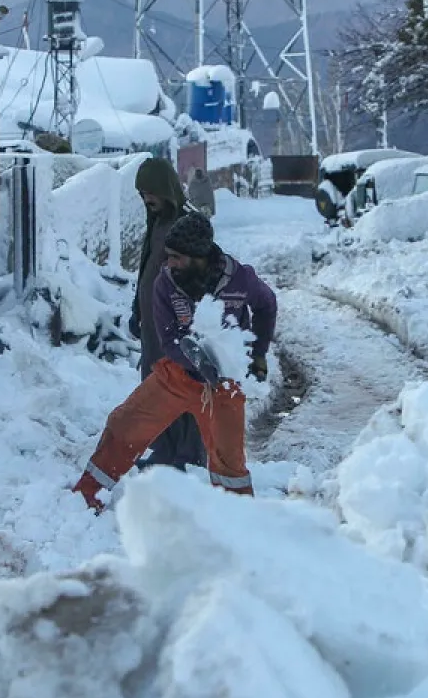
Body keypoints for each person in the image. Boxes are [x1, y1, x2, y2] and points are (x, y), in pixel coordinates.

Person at [72, 212, 277, 511]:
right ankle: (85, 498)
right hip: (178, 376)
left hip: (223, 386)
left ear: (199, 256)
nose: (170, 263)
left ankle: (238, 520)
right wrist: (196, 359)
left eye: (177, 257)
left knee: (228, 463)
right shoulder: (165, 283)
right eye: (168, 257)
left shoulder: (240, 279)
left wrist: (257, 352)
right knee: (124, 424)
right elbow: (168, 339)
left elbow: (266, 305)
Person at [130, 158, 209, 472]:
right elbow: (147, 270)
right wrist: (137, 310)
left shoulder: (187, 223)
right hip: (153, 325)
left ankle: (186, 454)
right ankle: (164, 447)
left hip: (177, 324)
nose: (147, 199)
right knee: (156, 386)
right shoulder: (158, 221)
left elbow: (200, 274)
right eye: (142, 193)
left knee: (182, 385)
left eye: (151, 192)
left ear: (165, 189)